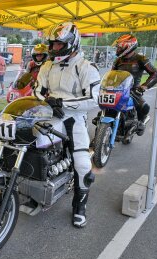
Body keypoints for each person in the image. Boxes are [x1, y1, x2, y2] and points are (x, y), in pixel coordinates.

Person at [36, 22, 100, 228]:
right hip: (49, 113)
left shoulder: (86, 67)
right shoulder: (47, 65)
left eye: (57, 44)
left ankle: (80, 208)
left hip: (75, 117)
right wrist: (47, 102)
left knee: (82, 164)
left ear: (71, 44)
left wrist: (63, 103)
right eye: (52, 44)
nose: (53, 48)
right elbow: (37, 91)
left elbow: (94, 100)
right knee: (29, 144)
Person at [111, 34, 157, 135]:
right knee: (106, 107)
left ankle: (141, 122)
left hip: (134, 90)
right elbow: (111, 75)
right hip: (118, 89)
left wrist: (144, 86)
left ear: (128, 46)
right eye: (117, 47)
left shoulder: (141, 58)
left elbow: (155, 73)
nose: (117, 48)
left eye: (119, 46)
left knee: (144, 107)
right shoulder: (118, 60)